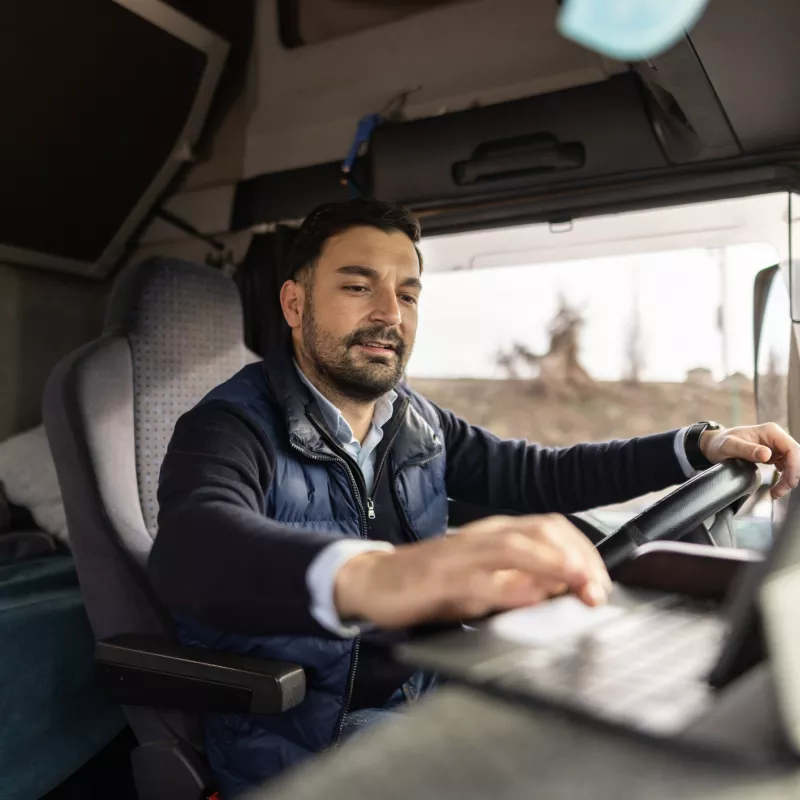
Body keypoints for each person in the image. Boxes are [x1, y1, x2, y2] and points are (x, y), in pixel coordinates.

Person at [148, 198, 800, 798]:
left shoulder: (413, 420)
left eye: (407, 293)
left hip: (434, 679)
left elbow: (540, 475)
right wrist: (380, 572)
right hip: (313, 729)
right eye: (356, 286)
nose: (389, 313)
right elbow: (192, 548)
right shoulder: (230, 422)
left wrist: (700, 444)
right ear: (294, 305)